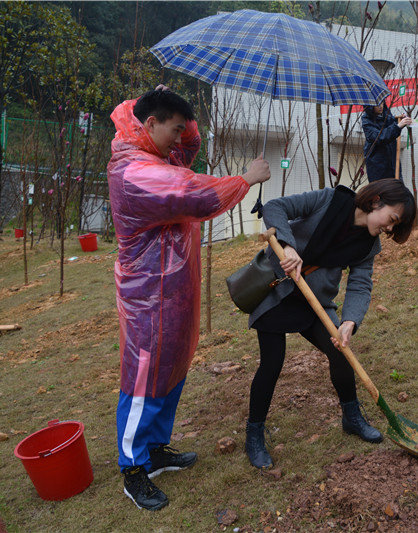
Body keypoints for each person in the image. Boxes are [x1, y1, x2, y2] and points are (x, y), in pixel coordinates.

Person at [108, 86, 270, 510]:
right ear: (150, 124)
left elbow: (190, 147)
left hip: (174, 292)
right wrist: (246, 179)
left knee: (172, 369)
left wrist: (185, 111)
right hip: (147, 297)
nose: (180, 139)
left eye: (182, 129)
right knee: (144, 379)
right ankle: (133, 469)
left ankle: (155, 449)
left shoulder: (159, 154)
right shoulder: (135, 171)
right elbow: (195, 195)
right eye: (174, 129)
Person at [244, 178, 416, 470]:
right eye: (393, 219)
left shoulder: (368, 246)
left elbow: (360, 285)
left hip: (315, 303)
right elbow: (275, 207)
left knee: (341, 353)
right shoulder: (329, 201)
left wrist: (349, 322)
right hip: (277, 292)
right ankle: (254, 434)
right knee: (272, 363)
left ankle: (352, 417)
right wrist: (287, 245)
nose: (389, 229)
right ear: (376, 201)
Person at [362, 103, 413, 181]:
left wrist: (401, 120)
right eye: (377, 104)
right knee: (382, 188)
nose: (381, 106)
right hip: (378, 169)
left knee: (397, 187)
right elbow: (379, 138)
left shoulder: (387, 116)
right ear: (370, 106)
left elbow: (393, 126)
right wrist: (398, 126)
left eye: (382, 103)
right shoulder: (367, 120)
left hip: (393, 163)